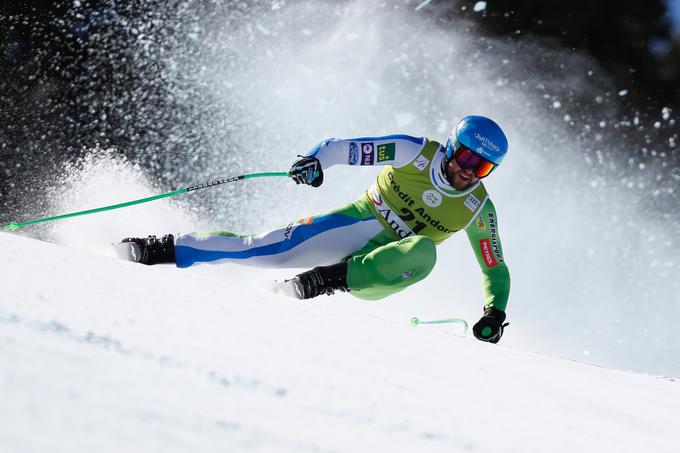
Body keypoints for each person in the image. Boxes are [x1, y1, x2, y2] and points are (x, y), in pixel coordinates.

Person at [122, 115, 511, 343]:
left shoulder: (478, 208)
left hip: (380, 271)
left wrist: (495, 312)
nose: (465, 171)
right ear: (450, 147)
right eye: (463, 157)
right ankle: (159, 249)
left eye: (480, 168)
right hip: (355, 222)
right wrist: (314, 160)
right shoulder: (414, 152)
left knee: (425, 251)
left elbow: (494, 267)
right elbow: (341, 148)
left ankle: (325, 280)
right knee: (259, 249)